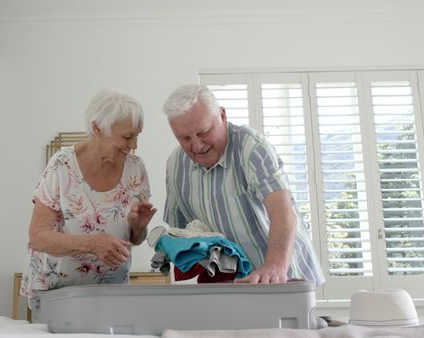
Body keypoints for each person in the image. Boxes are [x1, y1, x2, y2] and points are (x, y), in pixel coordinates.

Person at [162, 84, 324, 285]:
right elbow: (181, 231)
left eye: (203, 132)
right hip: (232, 285)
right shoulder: (175, 165)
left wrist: (274, 266)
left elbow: (282, 211)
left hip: (284, 273)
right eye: (185, 138)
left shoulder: (252, 148)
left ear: (222, 115)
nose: (196, 145)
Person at [21, 89, 157, 302]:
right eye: (128, 136)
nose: (134, 145)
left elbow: (134, 239)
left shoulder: (136, 169)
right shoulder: (62, 165)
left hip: (112, 292)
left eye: (137, 135)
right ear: (97, 128)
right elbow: (38, 237)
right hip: (58, 292)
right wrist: (92, 244)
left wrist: (137, 227)